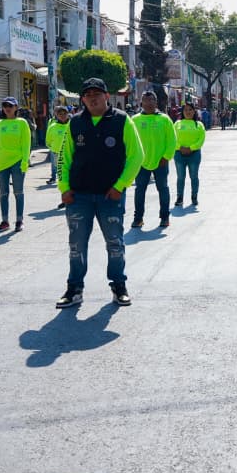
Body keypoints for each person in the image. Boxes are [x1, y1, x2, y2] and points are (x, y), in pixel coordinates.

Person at [56, 77, 144, 308]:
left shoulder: (122, 121)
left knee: (115, 243)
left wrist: (120, 186)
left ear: (106, 96)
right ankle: (74, 289)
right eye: (87, 95)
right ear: (82, 99)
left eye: (97, 94)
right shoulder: (75, 123)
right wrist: (64, 188)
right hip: (79, 196)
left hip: (110, 196)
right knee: (76, 245)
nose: (92, 98)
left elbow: (136, 156)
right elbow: (64, 158)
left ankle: (119, 286)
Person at [131, 89, 177, 229]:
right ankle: (138, 218)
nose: (149, 103)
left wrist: (166, 157)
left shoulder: (165, 119)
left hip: (161, 162)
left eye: (152, 100)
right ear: (141, 103)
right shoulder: (135, 120)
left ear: (156, 102)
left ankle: (165, 217)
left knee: (163, 189)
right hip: (141, 163)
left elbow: (172, 140)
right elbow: (130, 141)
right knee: (140, 190)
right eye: (146, 100)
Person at [0, 97, 32, 232]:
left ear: (16, 108)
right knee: (3, 193)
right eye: (5, 105)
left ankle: (19, 220)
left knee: (18, 192)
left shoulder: (22, 123)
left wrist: (25, 161)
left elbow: (26, 144)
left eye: (10, 105)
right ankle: (5, 221)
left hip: (17, 161)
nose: (7, 108)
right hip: (1, 163)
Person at [174, 99, 207, 207]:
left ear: (194, 111)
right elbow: (172, 138)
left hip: (194, 155)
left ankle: (194, 196)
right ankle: (179, 198)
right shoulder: (177, 124)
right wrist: (180, 147)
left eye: (190, 110)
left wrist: (191, 148)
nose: (188, 112)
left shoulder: (199, 125)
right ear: (182, 111)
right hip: (179, 154)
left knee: (194, 176)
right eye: (185, 110)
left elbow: (201, 139)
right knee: (180, 177)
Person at [45, 105, 71, 187]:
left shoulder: (72, 125)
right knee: (54, 166)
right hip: (55, 151)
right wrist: (52, 147)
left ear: (68, 114)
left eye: (64, 113)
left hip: (69, 151)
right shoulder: (52, 126)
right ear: (57, 115)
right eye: (60, 114)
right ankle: (53, 178)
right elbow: (48, 140)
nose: (62, 116)